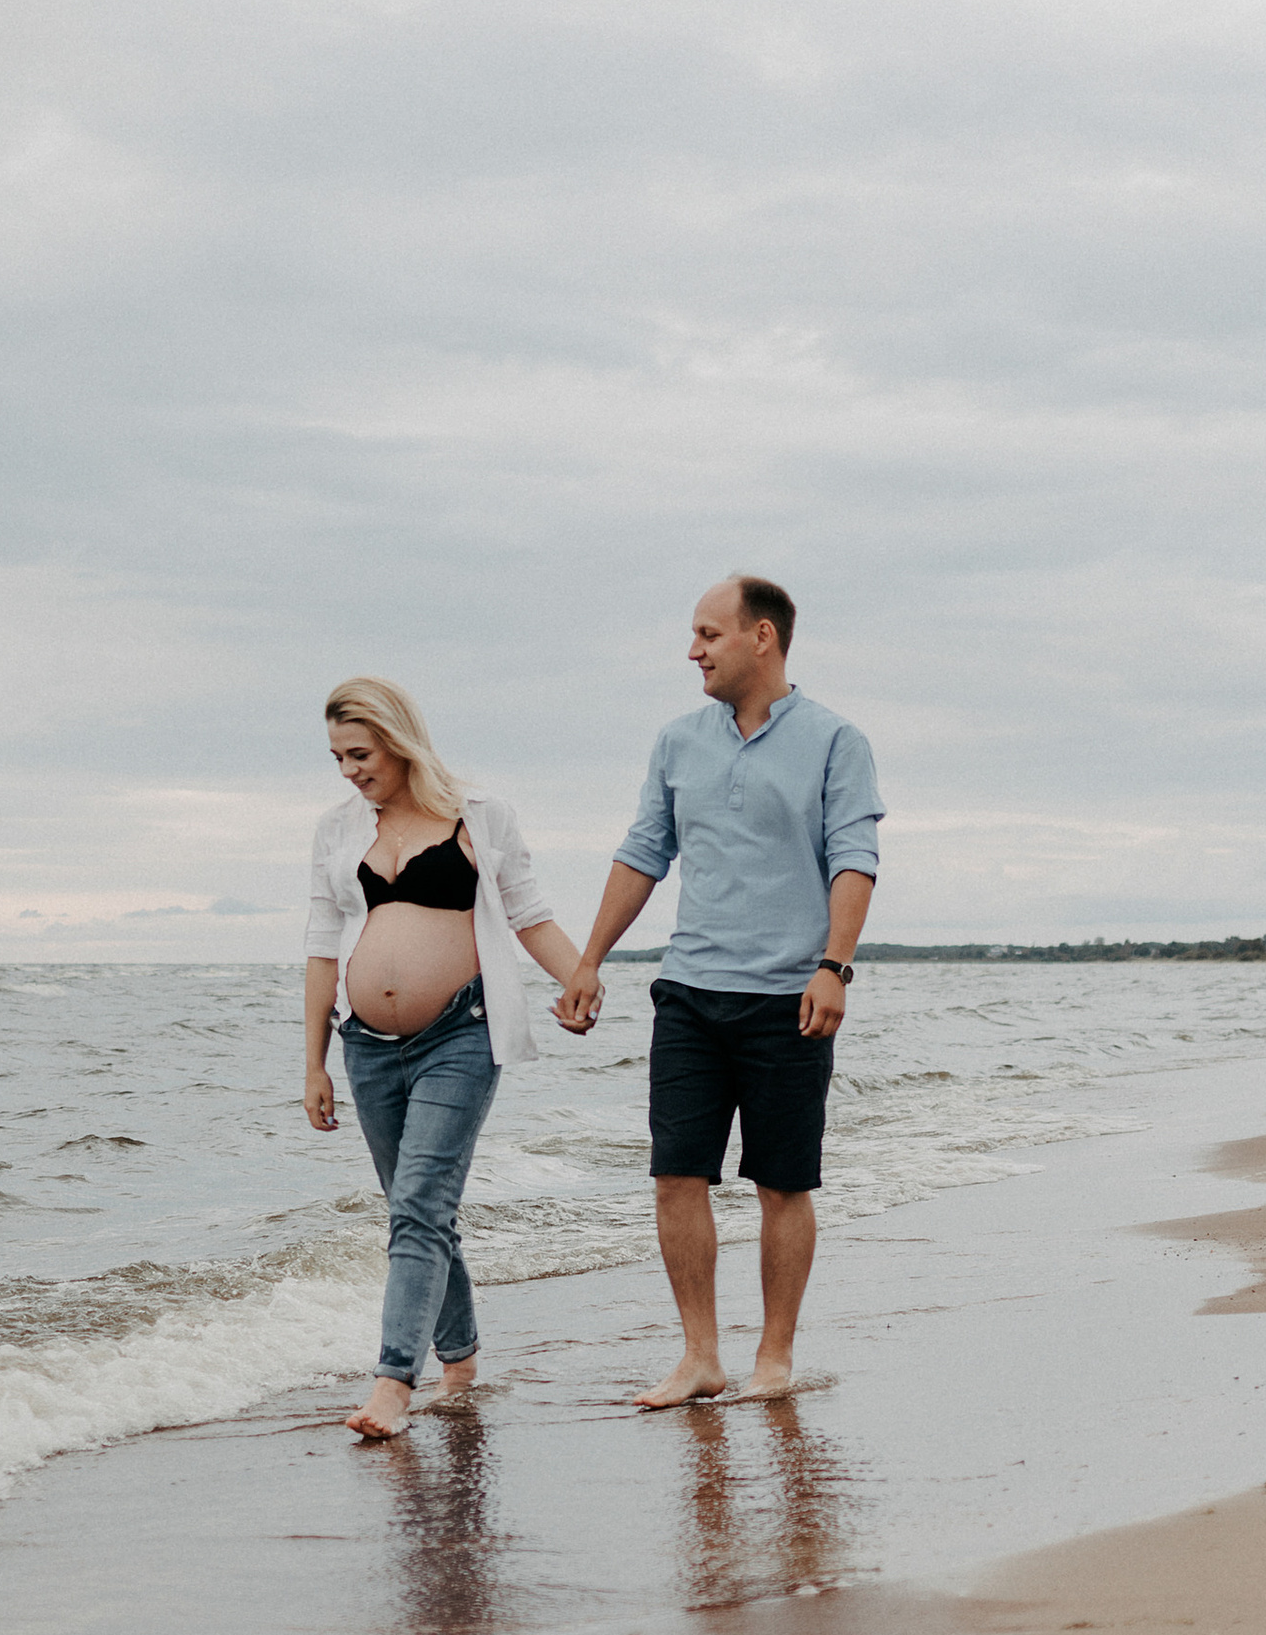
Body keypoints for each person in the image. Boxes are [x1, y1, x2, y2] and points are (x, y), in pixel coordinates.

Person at [555, 575, 880, 1406]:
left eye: (708, 633)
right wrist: (589, 958)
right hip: (691, 991)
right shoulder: (676, 743)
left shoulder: (837, 741)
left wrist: (833, 966)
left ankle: (774, 1357)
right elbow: (642, 856)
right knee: (677, 1175)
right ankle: (700, 1355)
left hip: (790, 1000)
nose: (692, 650)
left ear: (761, 637)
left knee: (783, 1182)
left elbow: (854, 858)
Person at [304, 677, 590, 1442]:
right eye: (336, 757)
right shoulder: (337, 830)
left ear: (398, 739)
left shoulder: (481, 816)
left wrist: (581, 977)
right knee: (417, 1208)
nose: (349, 771)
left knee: (419, 1206)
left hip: (460, 1034)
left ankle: (395, 1379)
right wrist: (313, 1063)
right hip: (363, 1046)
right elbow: (321, 951)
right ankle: (459, 1360)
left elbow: (530, 915)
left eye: (359, 753)